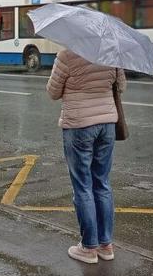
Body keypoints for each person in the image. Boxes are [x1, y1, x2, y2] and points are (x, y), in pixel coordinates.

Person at [46, 49, 126, 264]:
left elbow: (53, 92)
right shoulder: (112, 54)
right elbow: (121, 86)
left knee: (83, 186)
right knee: (102, 183)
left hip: (79, 125)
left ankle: (89, 248)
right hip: (107, 125)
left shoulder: (67, 55)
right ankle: (106, 245)